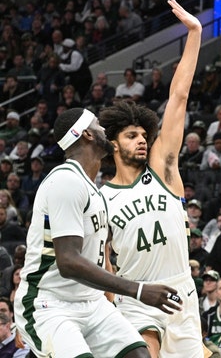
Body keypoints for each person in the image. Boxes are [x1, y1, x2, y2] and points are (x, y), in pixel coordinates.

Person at [14, 108, 180, 358]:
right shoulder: (66, 181)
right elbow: (68, 262)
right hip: (50, 304)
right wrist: (138, 290)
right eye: (98, 125)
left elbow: (100, 255)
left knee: (139, 355)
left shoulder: (93, 189)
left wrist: (109, 298)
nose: (105, 130)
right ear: (88, 135)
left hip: (92, 304)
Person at [98, 0, 202, 357]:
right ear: (112, 145)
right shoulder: (100, 197)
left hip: (182, 294)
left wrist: (195, 33)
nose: (141, 139)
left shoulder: (162, 169)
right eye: (131, 136)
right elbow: (105, 263)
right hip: (137, 297)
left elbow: (178, 97)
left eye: (144, 134)